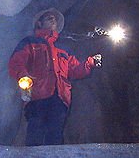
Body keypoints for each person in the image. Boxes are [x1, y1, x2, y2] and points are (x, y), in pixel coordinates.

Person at [8, 8, 101, 145]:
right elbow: (16, 62)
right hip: (37, 97)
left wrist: (90, 62)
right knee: (36, 131)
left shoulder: (61, 50)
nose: (53, 20)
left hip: (59, 98)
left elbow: (75, 70)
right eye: (49, 18)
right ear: (39, 24)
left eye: (55, 19)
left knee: (55, 133)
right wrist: (24, 77)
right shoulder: (30, 43)